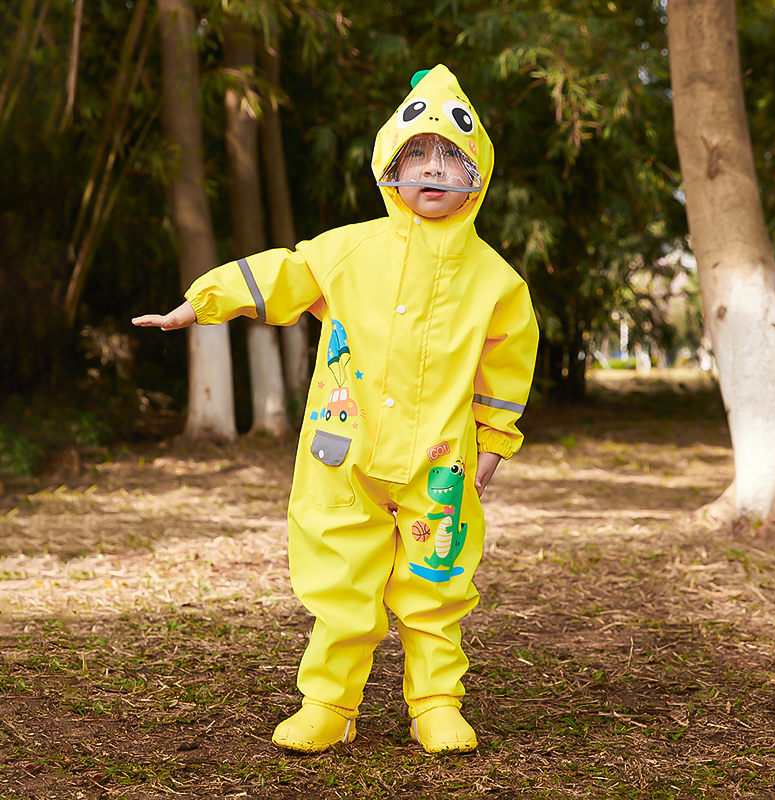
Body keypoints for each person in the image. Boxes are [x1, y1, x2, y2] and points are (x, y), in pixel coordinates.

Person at [133, 64, 538, 754]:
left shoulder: (497, 281)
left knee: (437, 585)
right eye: (417, 155)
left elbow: (505, 369)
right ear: (389, 167)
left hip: (440, 462)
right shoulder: (348, 250)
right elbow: (281, 274)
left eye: (451, 158)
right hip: (344, 454)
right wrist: (200, 304)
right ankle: (327, 704)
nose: (433, 170)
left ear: (478, 174)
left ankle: (436, 703)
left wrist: (494, 445)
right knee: (341, 581)